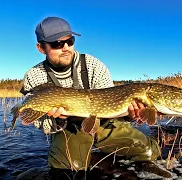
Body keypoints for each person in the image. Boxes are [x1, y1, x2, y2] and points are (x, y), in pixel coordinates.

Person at [20, 16, 161, 178]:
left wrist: (131, 115)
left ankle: (146, 146)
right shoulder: (34, 76)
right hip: (68, 129)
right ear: (41, 48)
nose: (66, 47)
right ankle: (89, 157)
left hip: (103, 122)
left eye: (70, 41)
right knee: (69, 172)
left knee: (149, 153)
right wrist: (58, 120)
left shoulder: (93, 65)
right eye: (57, 44)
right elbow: (40, 123)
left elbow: (112, 104)